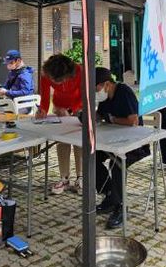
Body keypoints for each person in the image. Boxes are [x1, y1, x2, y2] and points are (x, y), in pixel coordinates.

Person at [94, 67, 150, 229]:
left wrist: (112, 119)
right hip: (113, 142)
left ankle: (120, 206)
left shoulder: (124, 92)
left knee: (117, 163)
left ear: (107, 84)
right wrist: (86, 115)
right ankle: (110, 194)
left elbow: (133, 121)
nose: (96, 92)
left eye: (96, 88)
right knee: (91, 157)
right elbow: (100, 115)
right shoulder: (105, 98)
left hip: (135, 144)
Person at [36, 54, 83, 195]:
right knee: (62, 141)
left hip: (79, 107)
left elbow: (84, 95)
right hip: (59, 106)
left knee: (79, 142)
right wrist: (43, 110)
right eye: (54, 81)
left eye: (60, 80)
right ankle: (64, 178)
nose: (58, 84)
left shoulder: (80, 71)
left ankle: (81, 177)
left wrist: (71, 110)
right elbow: (45, 95)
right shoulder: (46, 73)